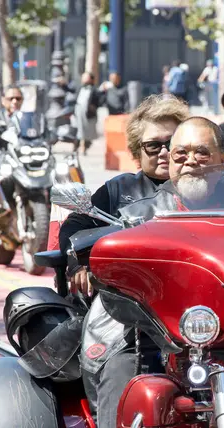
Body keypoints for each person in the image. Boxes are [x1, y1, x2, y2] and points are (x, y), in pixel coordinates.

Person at [79, 116, 224, 428]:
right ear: (171, 161)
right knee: (121, 376)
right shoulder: (137, 216)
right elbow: (90, 244)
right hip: (147, 335)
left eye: (201, 152)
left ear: (222, 160)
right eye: (180, 154)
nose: (190, 161)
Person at [59, 94, 189, 295]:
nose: (164, 152)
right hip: (128, 297)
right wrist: (78, 263)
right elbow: (73, 227)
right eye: (153, 146)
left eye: (171, 144)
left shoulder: (204, 187)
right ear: (138, 150)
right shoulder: (118, 189)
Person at [74, 72, 103, 155]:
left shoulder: (95, 90)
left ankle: (85, 147)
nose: (83, 79)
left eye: (85, 77)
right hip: (78, 112)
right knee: (79, 131)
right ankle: (76, 148)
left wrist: (93, 107)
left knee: (88, 133)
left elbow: (99, 101)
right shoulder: (80, 88)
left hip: (88, 114)